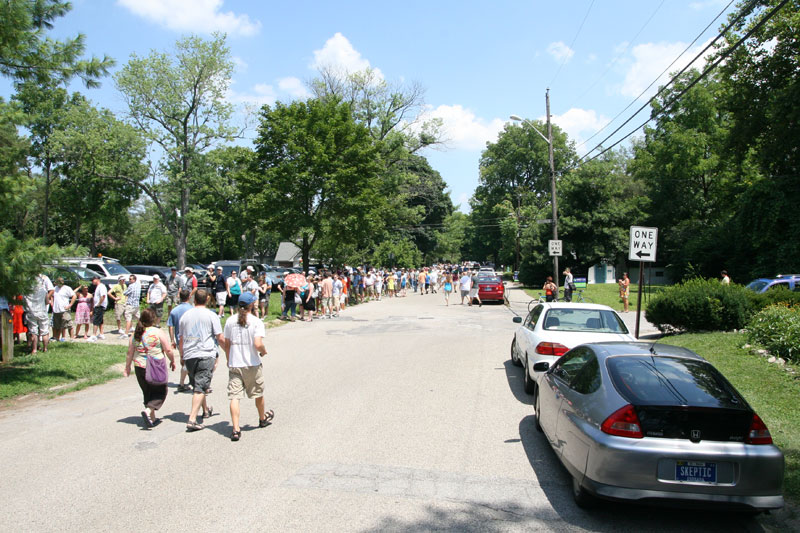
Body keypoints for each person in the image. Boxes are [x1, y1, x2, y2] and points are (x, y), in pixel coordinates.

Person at [223, 292, 273, 441]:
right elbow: (257, 344)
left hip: (235, 364)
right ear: (252, 305)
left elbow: (227, 344)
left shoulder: (230, 321)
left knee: (234, 397)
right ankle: (262, 418)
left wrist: (228, 359)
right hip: (252, 364)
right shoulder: (256, 322)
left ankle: (236, 428)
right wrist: (263, 351)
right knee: (258, 393)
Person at [179, 289, 223, 432]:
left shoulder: (185, 316)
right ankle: (192, 419)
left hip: (190, 355)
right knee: (200, 387)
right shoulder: (211, 315)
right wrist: (228, 350)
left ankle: (205, 410)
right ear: (207, 299)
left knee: (199, 384)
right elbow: (219, 336)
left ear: (194, 299)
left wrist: (181, 355)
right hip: (205, 354)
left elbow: (181, 338)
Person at [124, 308, 176, 428]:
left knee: (147, 391)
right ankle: (148, 412)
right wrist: (172, 361)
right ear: (152, 319)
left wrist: (127, 367)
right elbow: (168, 349)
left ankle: (151, 419)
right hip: (155, 366)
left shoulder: (135, 334)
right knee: (161, 390)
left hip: (139, 366)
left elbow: (129, 352)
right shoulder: (157, 332)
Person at [167, 289, 194, 393]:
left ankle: (185, 381)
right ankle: (184, 382)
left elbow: (170, 326)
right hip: (192, 338)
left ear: (179, 297)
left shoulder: (174, 310)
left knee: (184, 359)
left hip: (179, 339)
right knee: (191, 359)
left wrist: (172, 339)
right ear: (188, 297)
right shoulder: (192, 309)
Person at [23, 272, 54, 353]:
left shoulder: (27, 291)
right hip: (42, 311)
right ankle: (45, 348)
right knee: (44, 331)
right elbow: (47, 302)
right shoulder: (43, 290)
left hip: (31, 312)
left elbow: (23, 302)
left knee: (33, 332)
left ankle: (34, 349)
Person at [52, 277, 76, 342]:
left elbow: (74, 296)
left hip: (65, 310)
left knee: (69, 325)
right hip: (56, 310)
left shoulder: (67, 288)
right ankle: (56, 338)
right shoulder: (54, 289)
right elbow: (51, 296)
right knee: (57, 325)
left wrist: (70, 305)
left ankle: (71, 339)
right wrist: (52, 304)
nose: (58, 284)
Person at [89, 276, 108, 341]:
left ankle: (94, 335)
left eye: (93, 280)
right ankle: (101, 334)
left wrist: (98, 304)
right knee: (100, 320)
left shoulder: (101, 286)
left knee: (96, 320)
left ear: (97, 279)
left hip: (99, 306)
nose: (92, 281)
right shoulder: (98, 287)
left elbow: (103, 296)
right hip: (99, 306)